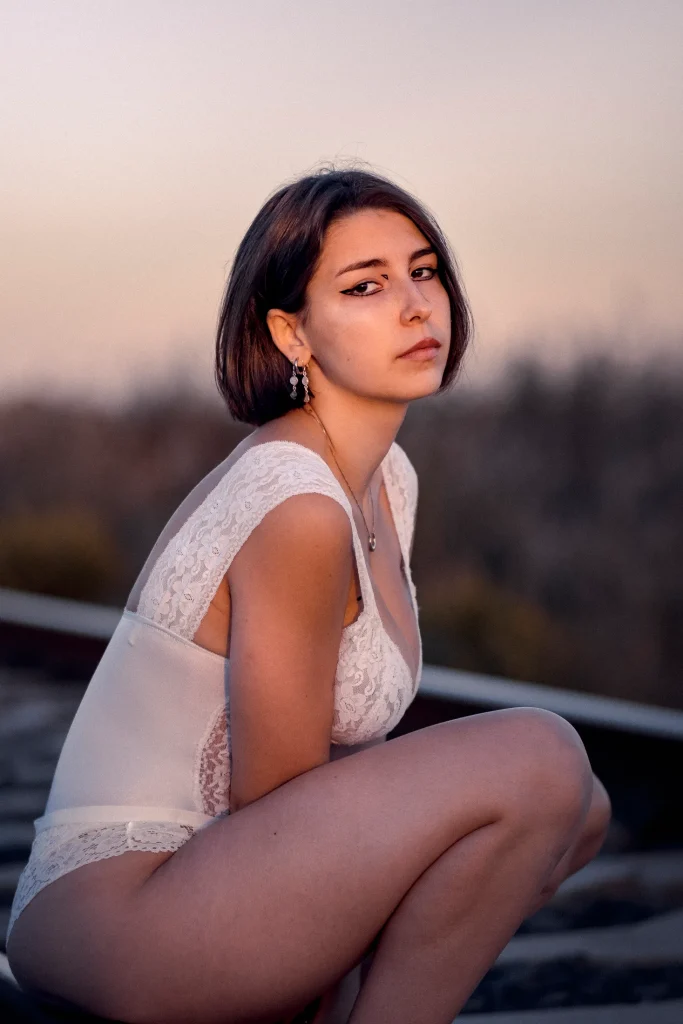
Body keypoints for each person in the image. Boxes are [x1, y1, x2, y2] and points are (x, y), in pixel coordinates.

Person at [6, 164, 612, 1024]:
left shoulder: (385, 478)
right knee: (540, 757)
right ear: (293, 335)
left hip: (225, 873)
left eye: (424, 270)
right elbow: (277, 807)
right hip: (122, 907)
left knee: (580, 806)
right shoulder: (296, 503)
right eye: (365, 286)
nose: (414, 305)